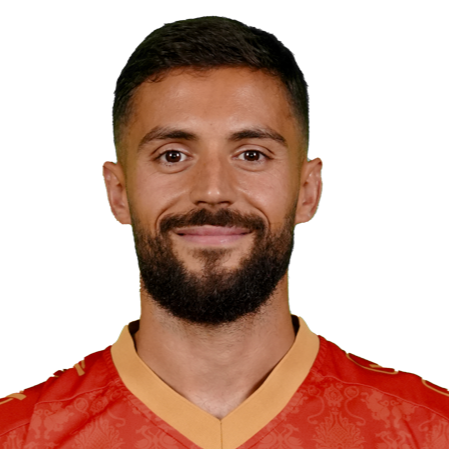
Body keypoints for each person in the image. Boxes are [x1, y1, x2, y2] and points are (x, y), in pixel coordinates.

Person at [1, 16, 447, 449]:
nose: (213, 191)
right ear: (118, 193)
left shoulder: (432, 429)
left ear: (308, 191)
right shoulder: (17, 434)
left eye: (251, 155)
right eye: (173, 155)